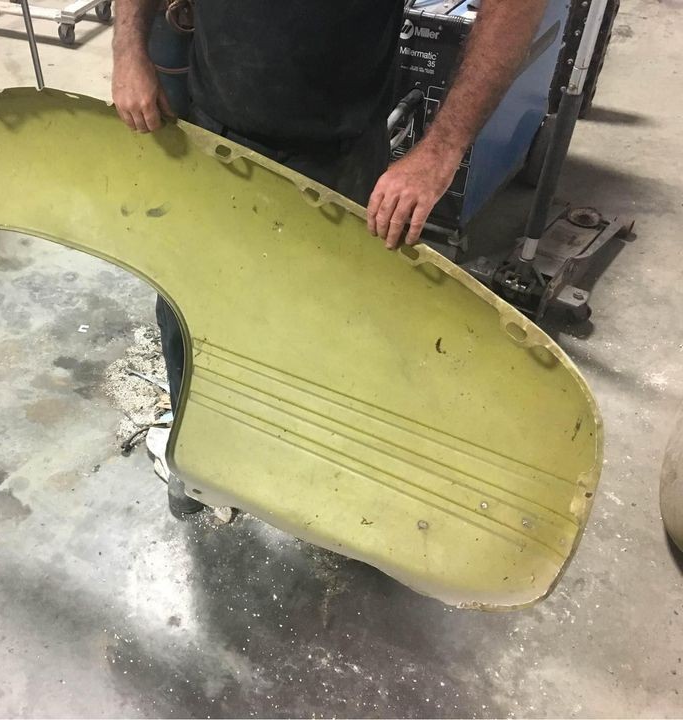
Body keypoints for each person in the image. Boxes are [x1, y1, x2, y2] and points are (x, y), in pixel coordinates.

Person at [111, 0, 549, 513]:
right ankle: (197, 457)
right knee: (190, 307)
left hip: (340, 153)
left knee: (329, 328)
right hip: (213, 123)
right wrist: (127, 50)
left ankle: (308, 471)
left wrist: (441, 150)